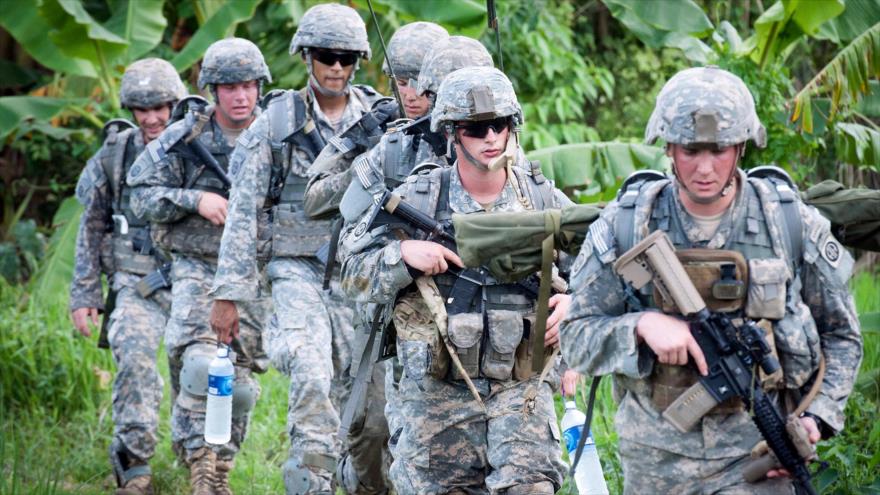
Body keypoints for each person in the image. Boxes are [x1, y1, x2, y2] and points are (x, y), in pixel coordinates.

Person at [560, 66, 862, 493]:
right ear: (668, 147)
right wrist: (641, 326)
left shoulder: (788, 223)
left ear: (741, 147)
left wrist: (816, 417)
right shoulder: (627, 225)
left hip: (756, 454)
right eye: (690, 150)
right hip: (655, 462)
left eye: (719, 150)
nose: (705, 168)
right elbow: (575, 337)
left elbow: (842, 335)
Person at [338, 66, 569, 494]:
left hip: (520, 388)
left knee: (531, 487)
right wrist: (402, 257)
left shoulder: (541, 200)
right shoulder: (419, 197)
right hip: (435, 395)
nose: (490, 137)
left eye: (500, 124)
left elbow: (598, 274)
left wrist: (573, 306)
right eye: (475, 128)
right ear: (451, 133)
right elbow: (350, 273)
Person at [206, 4, 384, 493]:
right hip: (296, 270)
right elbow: (243, 210)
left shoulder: (378, 121)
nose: (336, 67)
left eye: (347, 58)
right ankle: (312, 483)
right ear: (307, 57)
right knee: (310, 372)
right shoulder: (276, 123)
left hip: (361, 273)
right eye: (326, 56)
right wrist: (229, 294)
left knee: (368, 402)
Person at [126, 38, 272, 495]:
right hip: (198, 266)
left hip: (253, 272)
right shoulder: (186, 136)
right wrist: (195, 200)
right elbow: (140, 195)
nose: (241, 96)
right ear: (212, 89)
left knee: (238, 378)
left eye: (248, 85)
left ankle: (221, 465)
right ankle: (199, 463)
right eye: (229, 87)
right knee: (200, 364)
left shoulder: (277, 132)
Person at [70, 58, 185, 495]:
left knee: (201, 377)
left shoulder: (201, 145)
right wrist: (85, 292)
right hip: (135, 284)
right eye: (142, 109)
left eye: (160, 108)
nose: (152, 118)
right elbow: (91, 224)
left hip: (194, 282)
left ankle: (204, 465)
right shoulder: (116, 154)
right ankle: (134, 466)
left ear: (175, 104)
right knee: (134, 360)